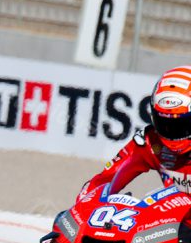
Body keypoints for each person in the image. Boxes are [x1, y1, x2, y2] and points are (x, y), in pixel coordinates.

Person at [77, 66, 191, 199]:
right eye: (164, 123)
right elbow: (103, 180)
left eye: (182, 125)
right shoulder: (150, 142)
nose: (171, 132)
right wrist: (83, 205)